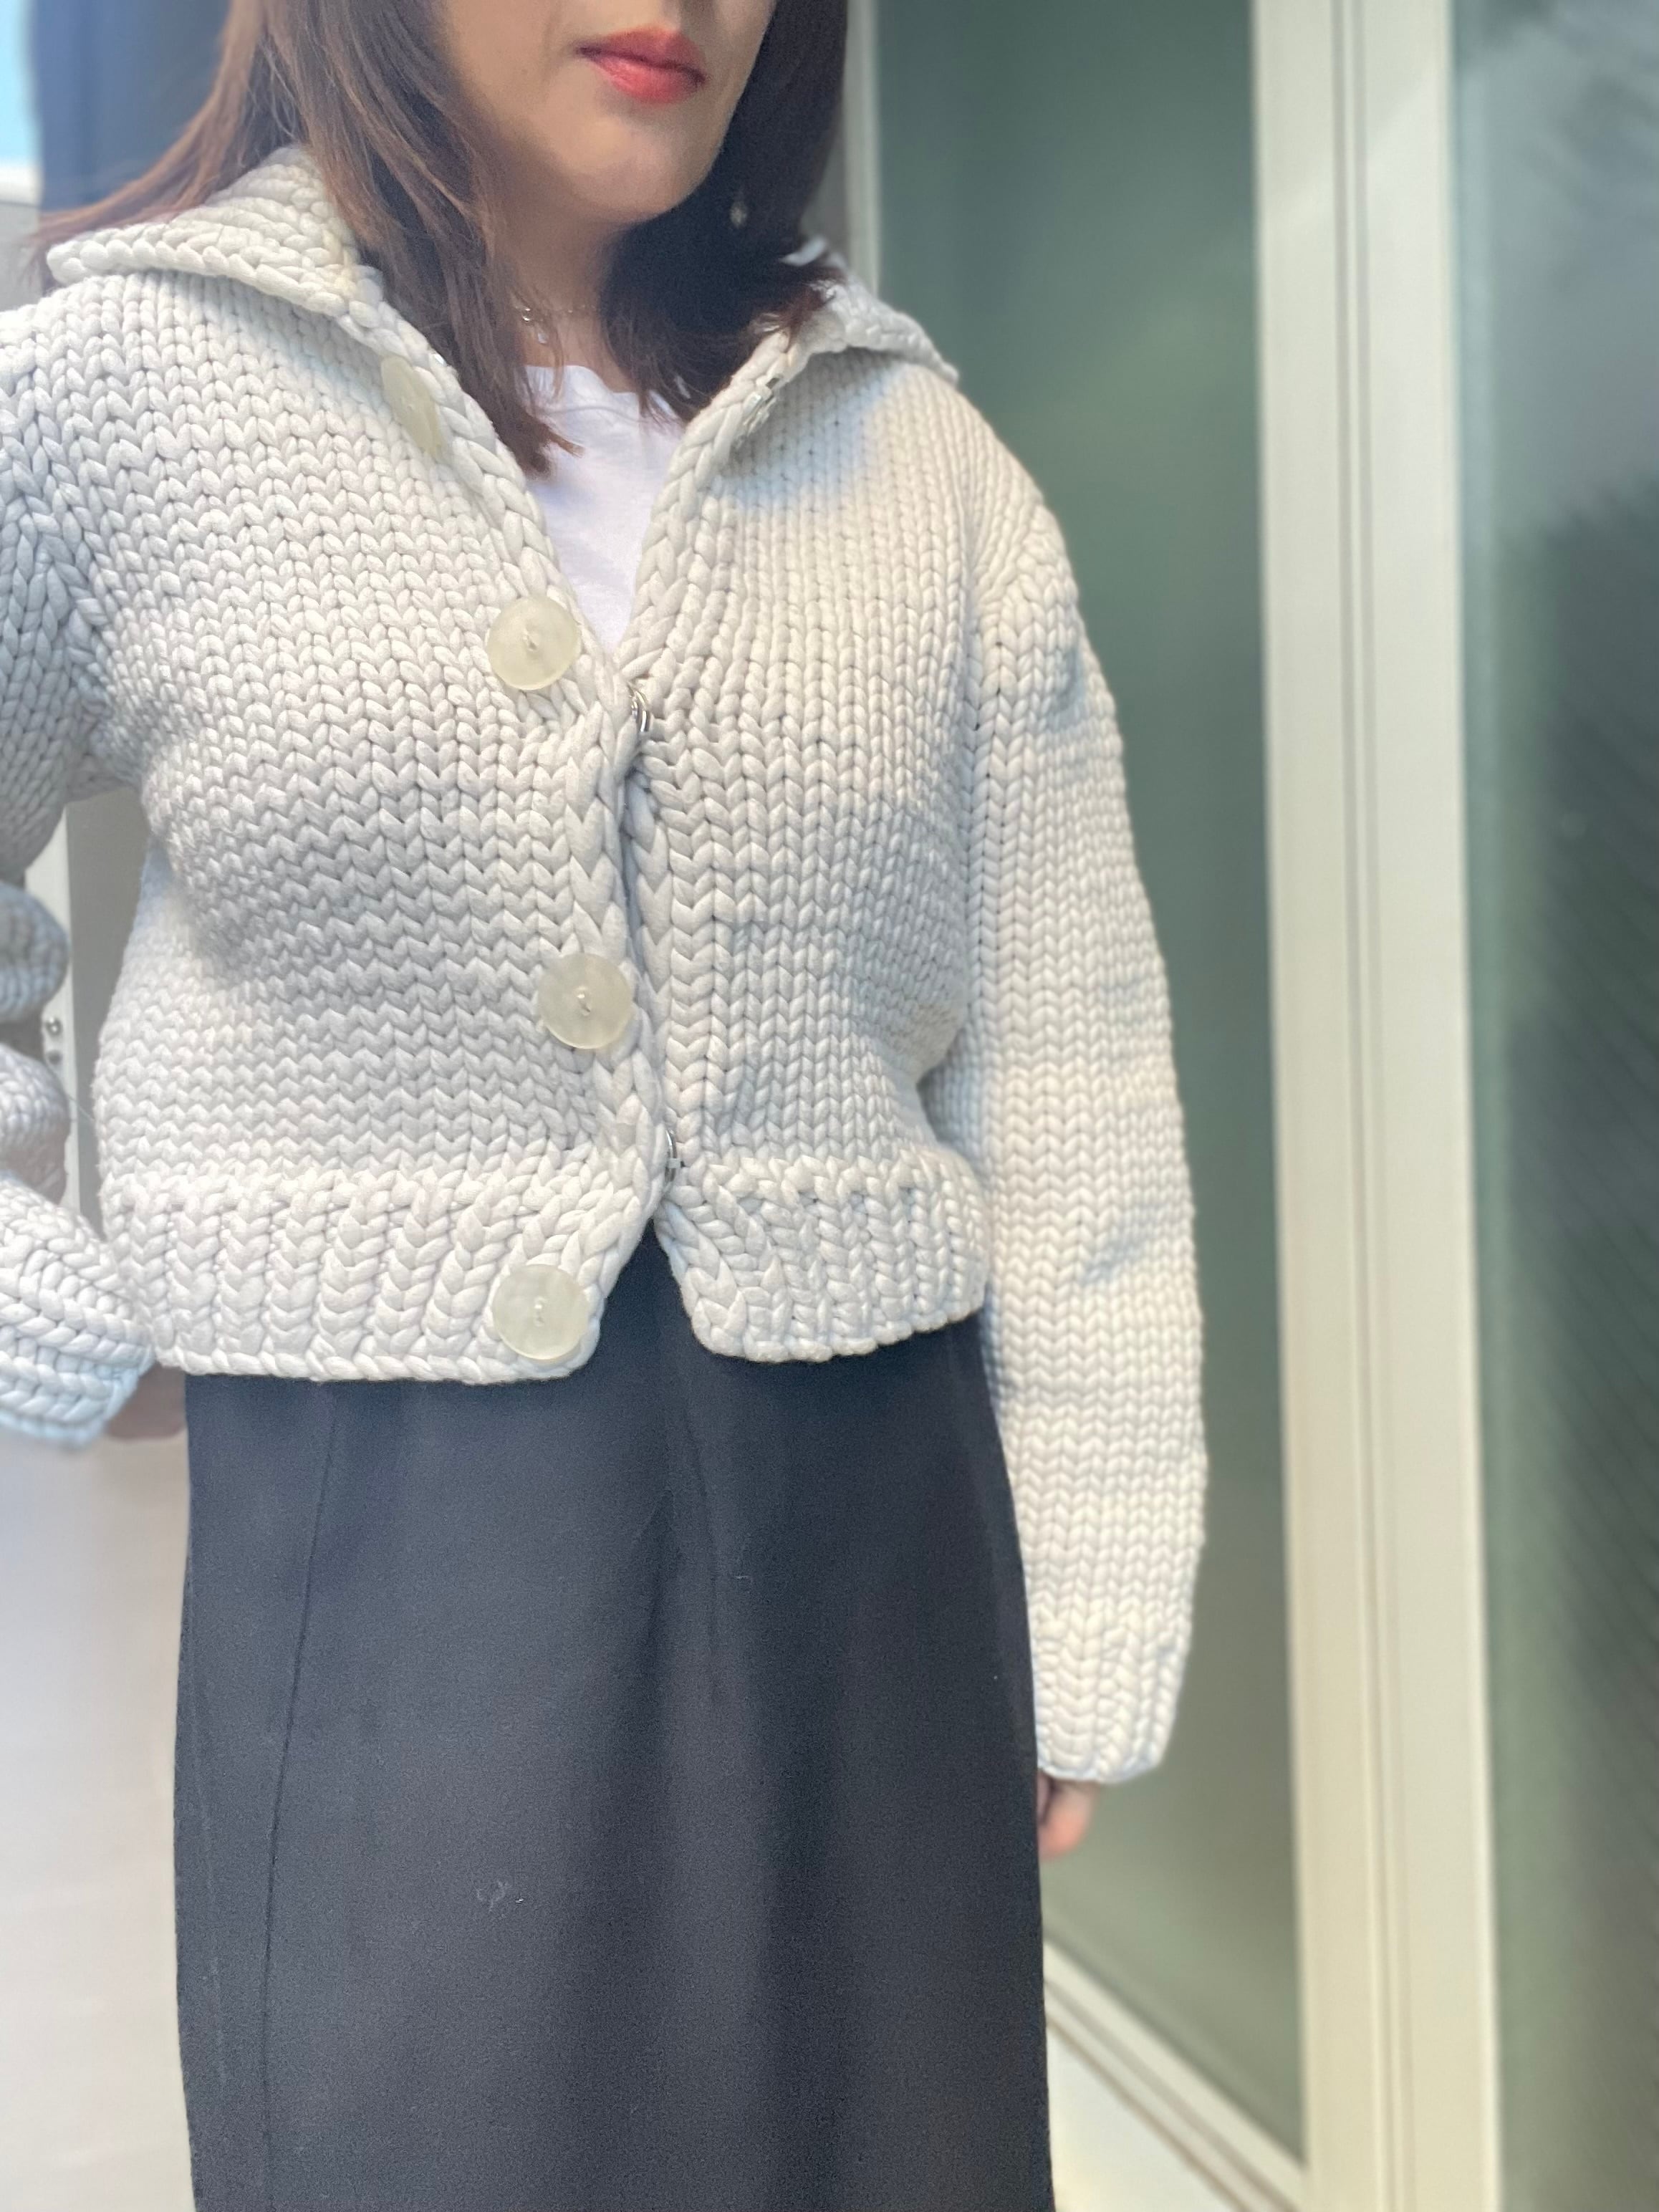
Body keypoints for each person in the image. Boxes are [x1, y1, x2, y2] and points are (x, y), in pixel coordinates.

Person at [0, 2, 1208, 2206]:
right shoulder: (120, 392)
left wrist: (1095, 1594)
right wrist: (66, 1320)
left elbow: (1068, 1060)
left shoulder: (919, 457)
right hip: (391, 1552)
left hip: (876, 1521)